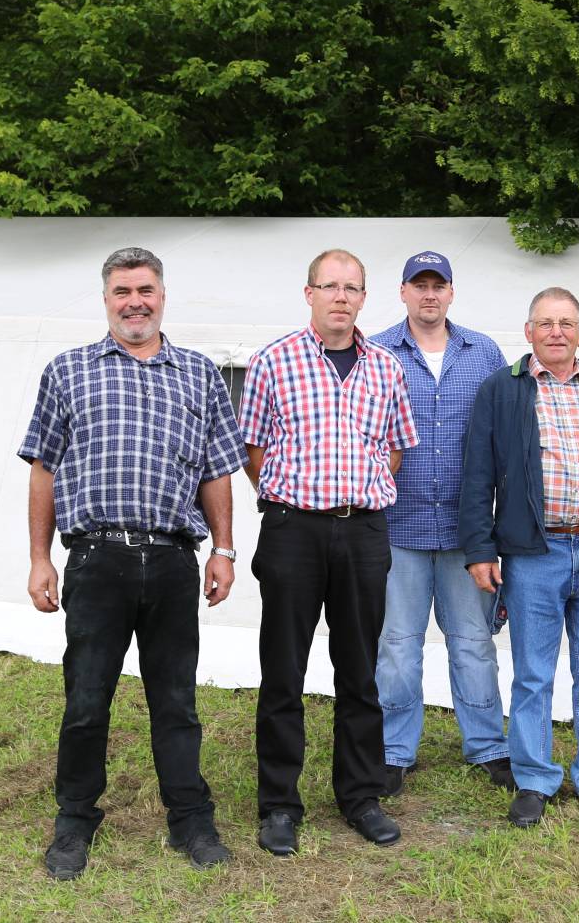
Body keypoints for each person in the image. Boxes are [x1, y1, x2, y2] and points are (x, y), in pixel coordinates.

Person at [20, 247, 246, 878]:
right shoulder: (67, 371)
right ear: (106, 300)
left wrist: (223, 550)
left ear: (163, 296)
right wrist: (40, 557)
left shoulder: (199, 374)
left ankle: (189, 819)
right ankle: (74, 821)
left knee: (176, 700)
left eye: (145, 289)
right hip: (96, 559)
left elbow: (217, 471)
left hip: (173, 559)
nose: (134, 302)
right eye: (122, 291)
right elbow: (43, 467)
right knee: (87, 699)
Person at [238, 248, 419, 856]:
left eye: (352, 288)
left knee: (360, 669)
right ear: (309, 292)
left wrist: (354, 493)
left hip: (364, 531)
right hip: (294, 530)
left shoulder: (387, 368)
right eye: (330, 286)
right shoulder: (273, 361)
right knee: (284, 670)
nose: (341, 297)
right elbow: (254, 450)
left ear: (365, 298)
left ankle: (360, 795)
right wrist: (299, 498)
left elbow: (393, 450)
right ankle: (279, 804)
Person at [458, 287, 579, 830]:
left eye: (566, 323)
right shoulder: (503, 390)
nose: (556, 332)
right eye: (545, 323)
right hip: (533, 553)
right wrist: (480, 548)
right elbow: (476, 475)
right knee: (533, 673)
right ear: (528, 332)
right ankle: (533, 778)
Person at [369, 251, 511, 796]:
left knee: (473, 642)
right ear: (402, 291)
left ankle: (488, 746)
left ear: (452, 292)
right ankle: (394, 751)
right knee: (398, 644)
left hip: (466, 530)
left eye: (439, 285)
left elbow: (505, 429)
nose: (429, 294)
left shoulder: (484, 353)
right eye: (419, 285)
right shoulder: (375, 350)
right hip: (395, 524)